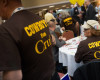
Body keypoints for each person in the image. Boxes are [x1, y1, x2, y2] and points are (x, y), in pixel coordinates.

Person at [0, 0, 55, 80]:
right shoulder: (39, 19)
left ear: (4, 2)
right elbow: (52, 41)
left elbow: (14, 76)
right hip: (52, 75)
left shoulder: (6, 30)